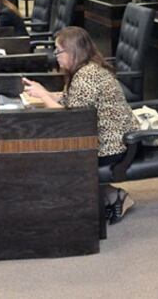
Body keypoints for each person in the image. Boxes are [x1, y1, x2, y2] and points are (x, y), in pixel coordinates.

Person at [23, 27, 138, 223]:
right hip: (103, 135)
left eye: (59, 51)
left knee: (57, 153)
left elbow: (72, 120)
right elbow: (70, 100)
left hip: (112, 146)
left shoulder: (87, 76)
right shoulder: (83, 69)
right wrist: (45, 93)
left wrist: (43, 96)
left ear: (74, 51)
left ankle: (102, 198)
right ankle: (109, 195)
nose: (55, 56)